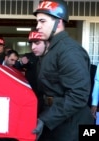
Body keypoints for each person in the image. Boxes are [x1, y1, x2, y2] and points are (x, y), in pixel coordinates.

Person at [32, 0, 94, 140]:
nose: (38, 26)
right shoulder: (53, 49)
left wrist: (45, 119)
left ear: (58, 22)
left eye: (42, 21)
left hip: (71, 126)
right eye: (37, 22)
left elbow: (78, 95)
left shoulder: (69, 51)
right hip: (57, 120)